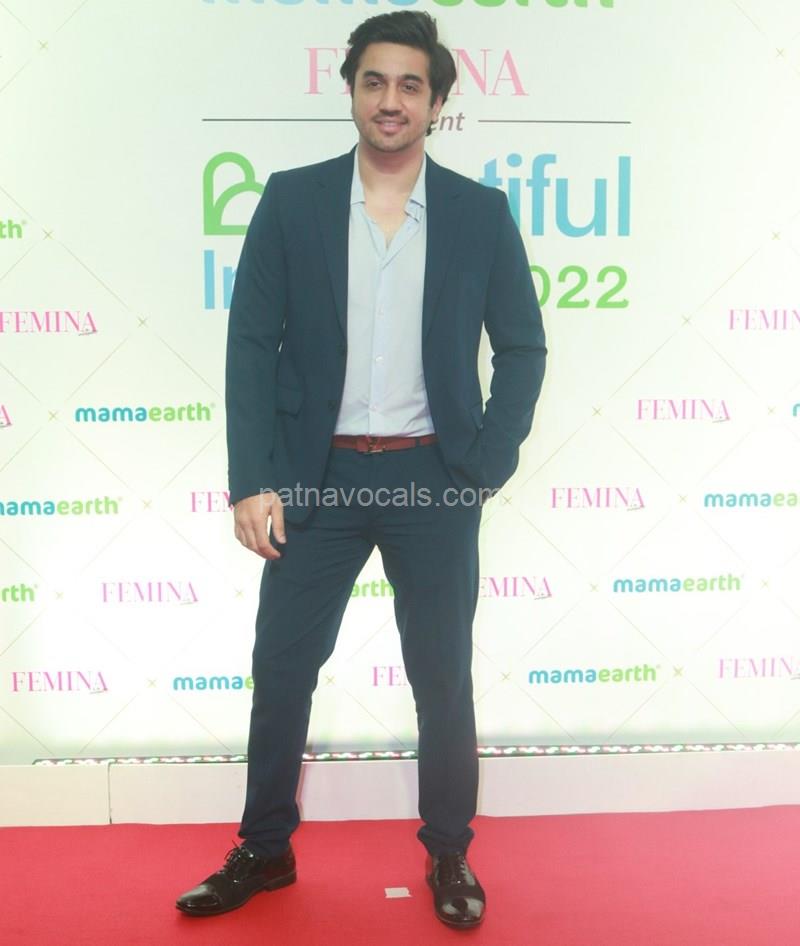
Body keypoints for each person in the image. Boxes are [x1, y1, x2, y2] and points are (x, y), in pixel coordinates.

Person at [176, 10, 546, 929]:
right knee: (281, 668)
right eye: (374, 81)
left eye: (410, 85)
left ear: (436, 102)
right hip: (318, 479)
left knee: (441, 677)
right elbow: (251, 345)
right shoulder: (292, 201)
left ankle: (449, 851)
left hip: (432, 480)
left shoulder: (480, 215)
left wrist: (482, 465)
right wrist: (251, 479)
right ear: (350, 90)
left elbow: (523, 347)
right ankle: (265, 849)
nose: (391, 100)